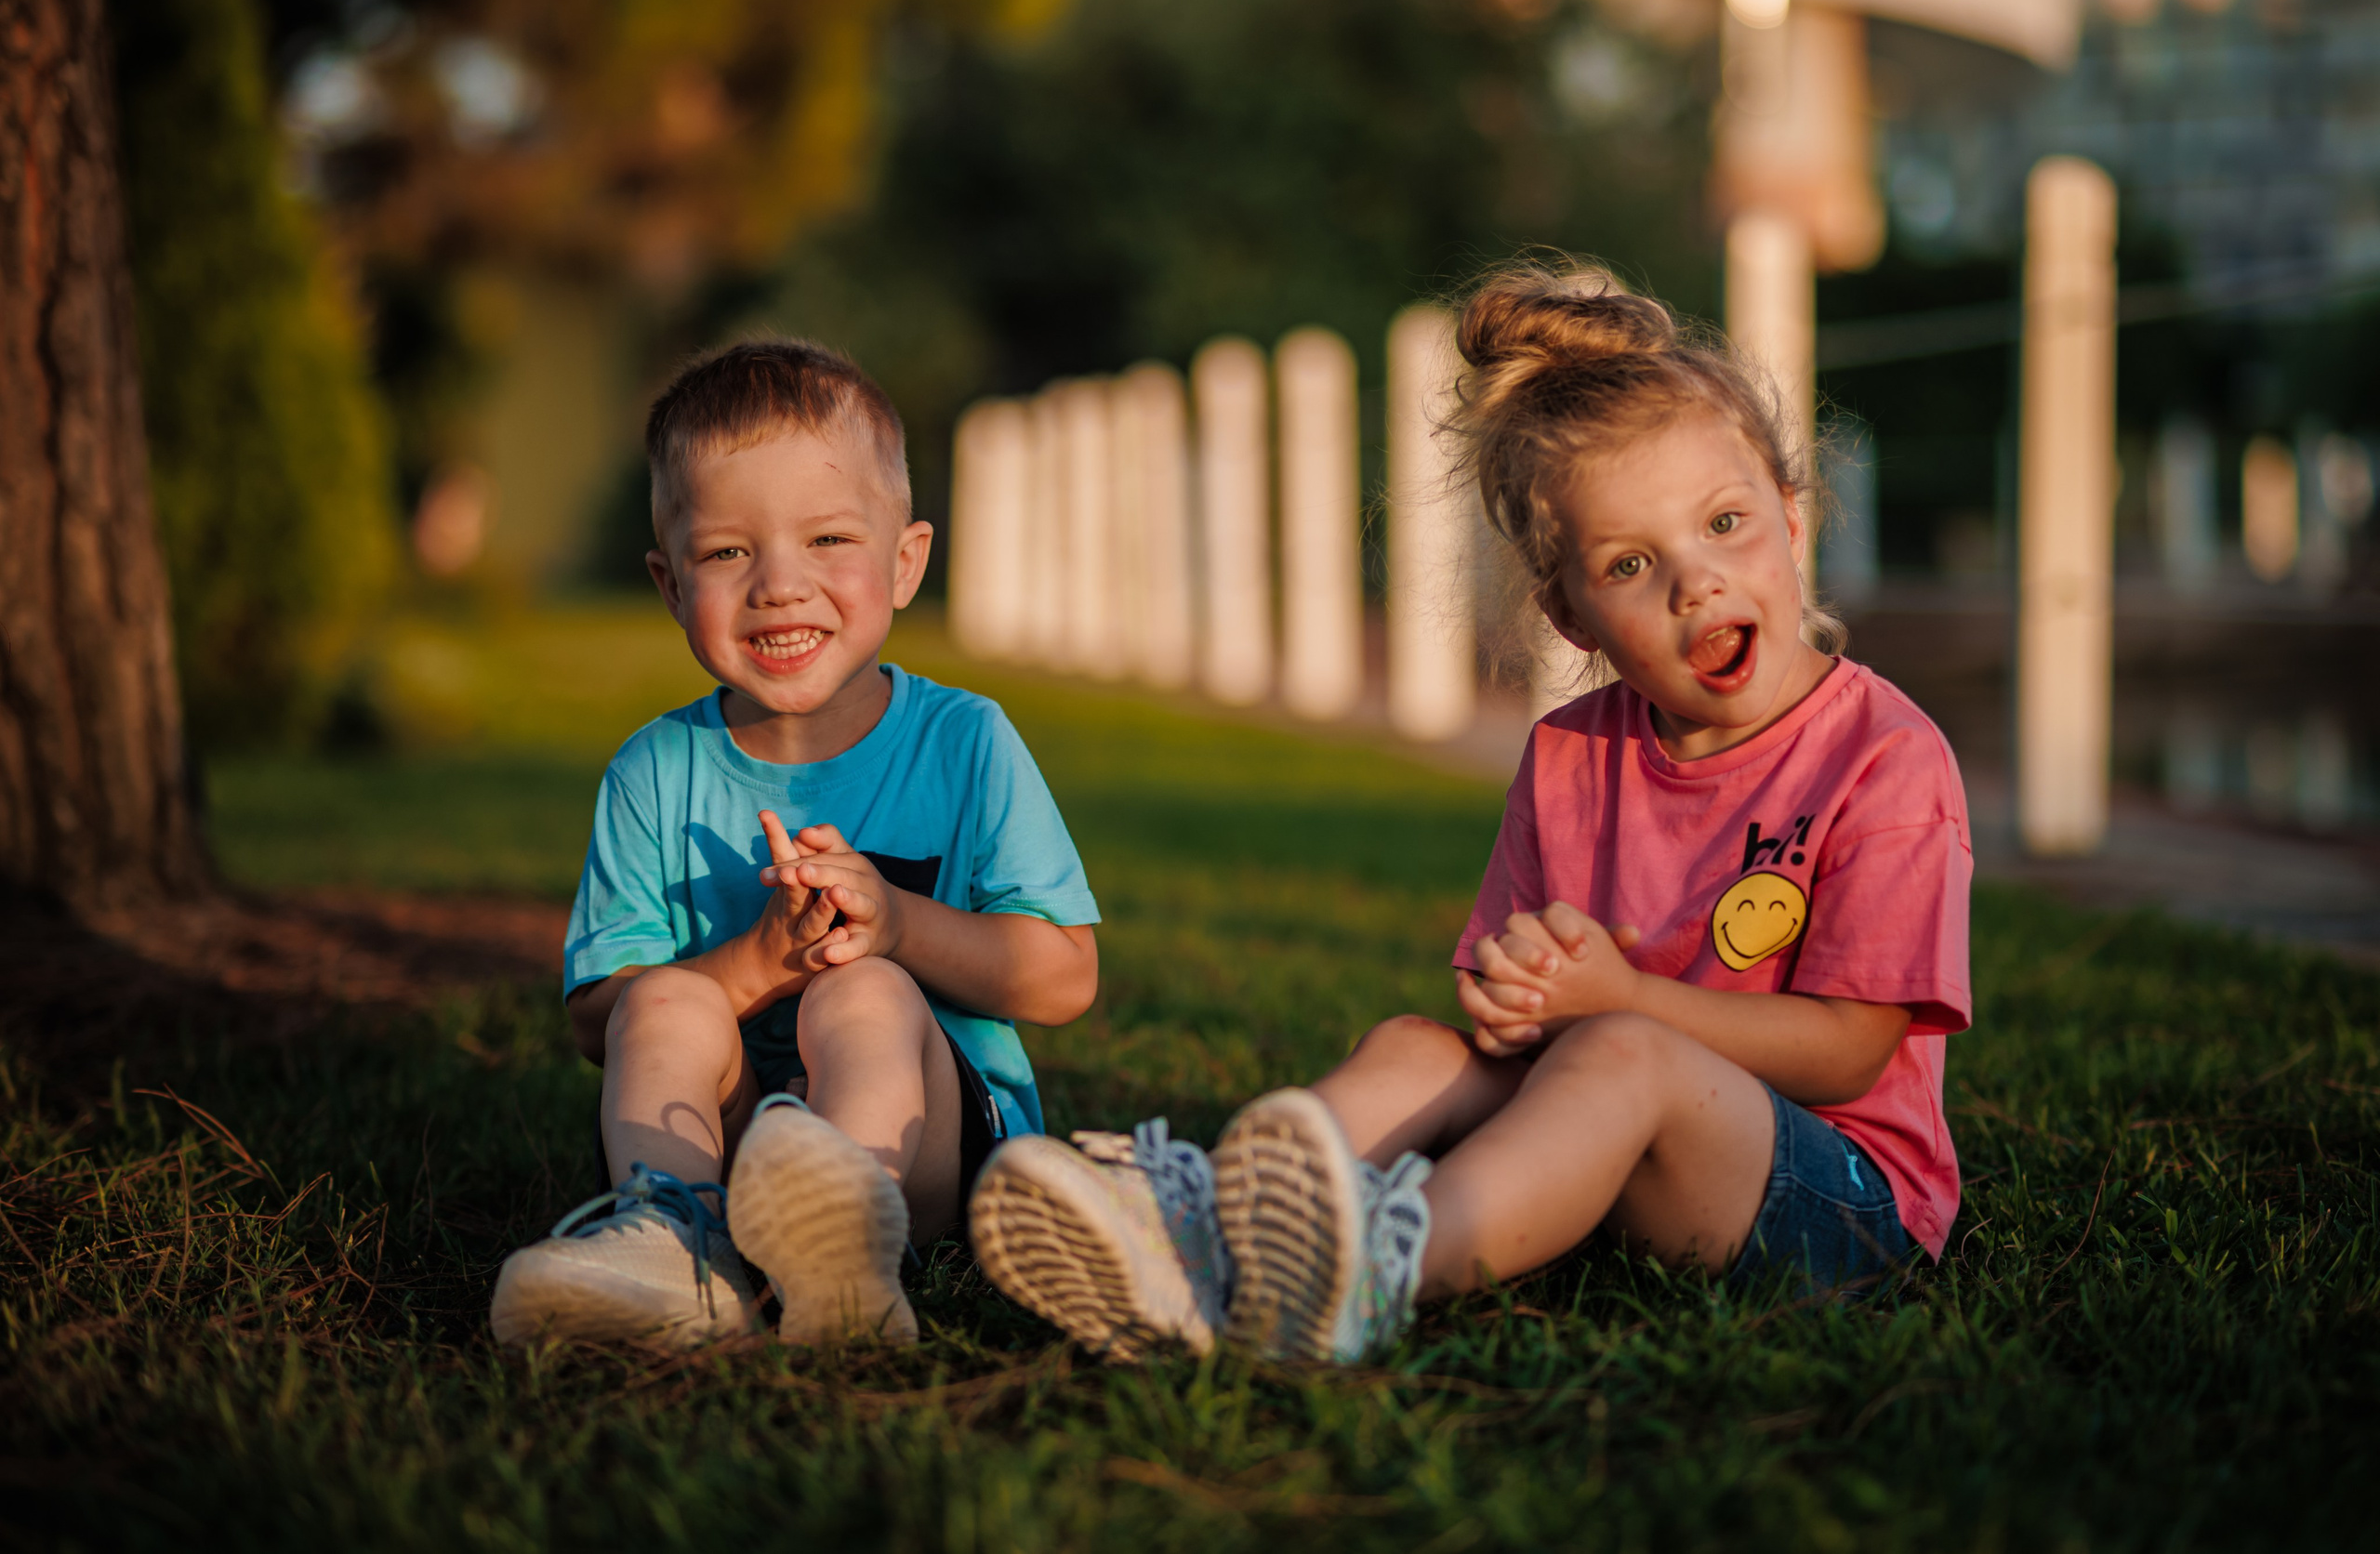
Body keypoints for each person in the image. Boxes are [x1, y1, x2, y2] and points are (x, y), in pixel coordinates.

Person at [970, 260, 1970, 1363]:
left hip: (1836, 1201)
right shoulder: (1570, 756)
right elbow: (1496, 993)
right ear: (1570, 612)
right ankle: (1194, 1237)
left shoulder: (1882, 756)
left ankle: (1369, 1274)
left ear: (1791, 519)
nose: (1695, 583)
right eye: (1631, 564)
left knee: (1627, 1051)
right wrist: (1519, 996)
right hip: (1614, 1120)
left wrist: (1618, 998)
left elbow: (1848, 1055)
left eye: (1725, 524)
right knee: (1417, 1045)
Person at [491, 340, 1100, 1350]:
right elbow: (601, 1022)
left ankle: (846, 1246)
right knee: (667, 996)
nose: (779, 585)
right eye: (728, 552)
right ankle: (671, 1243)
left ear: (905, 562)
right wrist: (755, 963)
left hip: (930, 1152)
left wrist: (897, 925)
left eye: (826, 539)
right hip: (723, 1151)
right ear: (668, 582)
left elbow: (1064, 978)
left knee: (864, 991)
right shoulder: (654, 770)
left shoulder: (965, 742)